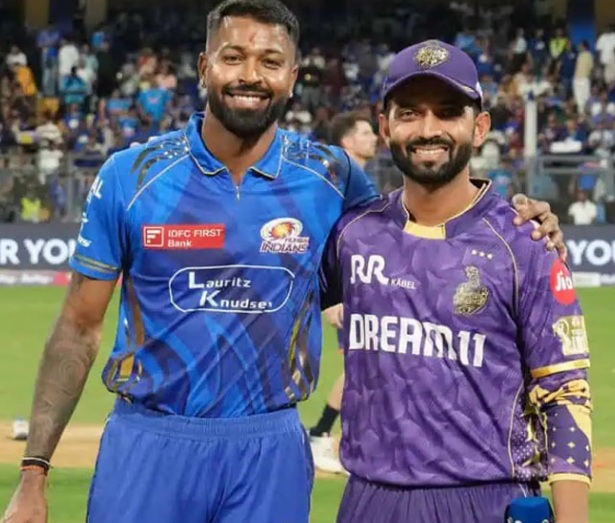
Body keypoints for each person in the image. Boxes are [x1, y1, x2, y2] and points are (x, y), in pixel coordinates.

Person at [2, 3, 566, 521]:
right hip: (148, 440)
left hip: (269, 448)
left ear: (292, 78)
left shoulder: (333, 177)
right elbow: (78, 327)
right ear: (204, 67)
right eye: (233, 57)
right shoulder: (132, 176)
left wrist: (518, 219)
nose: (251, 74)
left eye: (270, 61)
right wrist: (33, 473)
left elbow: (422, 229)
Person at [321, 40, 591, 523]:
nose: (428, 129)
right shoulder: (352, 235)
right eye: (409, 113)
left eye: (448, 112)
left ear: (479, 127)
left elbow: (566, 393)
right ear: (385, 127)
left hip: (486, 499)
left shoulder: (526, 243)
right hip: (368, 500)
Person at [309, 111, 378, 475]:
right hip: (346, 289)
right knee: (359, 365)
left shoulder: (356, 178)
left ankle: (346, 436)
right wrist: (332, 295)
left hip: (360, 286)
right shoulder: (334, 180)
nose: (374, 137)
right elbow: (324, 233)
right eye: (366, 132)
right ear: (347, 141)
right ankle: (320, 434)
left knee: (367, 365)